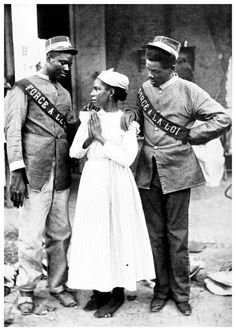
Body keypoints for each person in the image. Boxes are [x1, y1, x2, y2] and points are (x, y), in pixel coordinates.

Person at [120, 35, 231, 316]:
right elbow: (138, 106)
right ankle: (161, 289)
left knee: (177, 236)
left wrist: (192, 135)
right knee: (155, 235)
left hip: (178, 171)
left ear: (172, 67)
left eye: (155, 70)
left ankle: (181, 293)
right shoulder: (145, 87)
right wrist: (132, 113)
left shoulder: (190, 91)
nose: (150, 74)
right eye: (147, 69)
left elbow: (222, 118)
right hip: (148, 171)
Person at [68, 69, 155, 318]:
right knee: (95, 233)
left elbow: (126, 158)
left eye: (98, 89)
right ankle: (100, 291)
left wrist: (101, 138)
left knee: (115, 232)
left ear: (112, 93)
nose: (93, 93)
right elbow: (75, 153)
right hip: (93, 178)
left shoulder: (127, 121)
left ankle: (116, 294)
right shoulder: (89, 118)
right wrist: (89, 136)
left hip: (116, 180)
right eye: (94, 88)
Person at [5, 36, 79, 315]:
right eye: (61, 62)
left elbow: (69, 130)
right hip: (34, 173)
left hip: (60, 173)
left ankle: (58, 285)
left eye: (69, 64)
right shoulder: (22, 88)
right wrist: (16, 172)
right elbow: (12, 132)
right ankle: (26, 289)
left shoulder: (65, 93)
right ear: (47, 58)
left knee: (61, 233)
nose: (66, 68)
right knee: (31, 236)